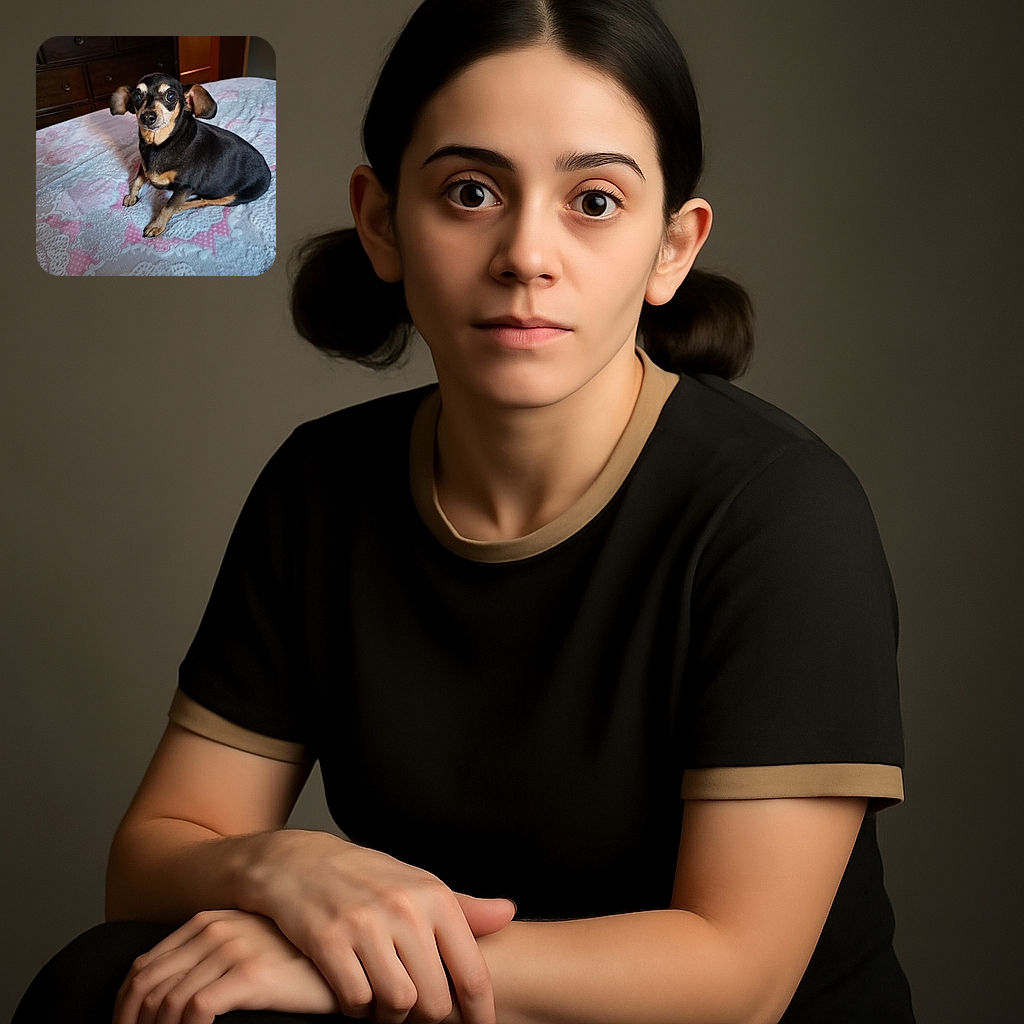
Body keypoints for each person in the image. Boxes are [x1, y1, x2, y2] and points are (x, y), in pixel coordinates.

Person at [14, 1, 915, 1022]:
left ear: (673, 247)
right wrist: (283, 868)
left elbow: (736, 975)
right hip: (453, 1012)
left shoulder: (780, 512)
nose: (527, 253)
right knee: (104, 987)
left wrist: (325, 967)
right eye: (471, 192)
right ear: (381, 221)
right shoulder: (323, 485)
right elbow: (149, 863)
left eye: (595, 201)